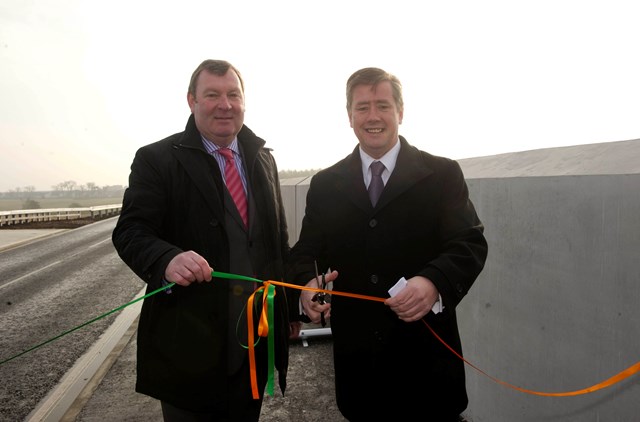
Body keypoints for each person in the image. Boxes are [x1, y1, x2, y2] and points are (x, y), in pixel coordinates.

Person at [287, 67, 488, 421]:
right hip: (360, 374)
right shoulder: (325, 184)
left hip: (428, 371)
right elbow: (307, 251)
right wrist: (306, 285)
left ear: (400, 111)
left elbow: (468, 243)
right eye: (362, 107)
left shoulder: (442, 174)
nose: (373, 116)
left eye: (382, 105)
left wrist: (433, 282)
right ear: (349, 116)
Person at [112, 59, 299, 421]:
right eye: (212, 95)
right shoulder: (156, 160)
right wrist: (167, 260)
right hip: (189, 353)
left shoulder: (263, 159)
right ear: (191, 101)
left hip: (253, 347)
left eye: (233, 95)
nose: (224, 104)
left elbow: (277, 241)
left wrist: (287, 309)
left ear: (244, 101)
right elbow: (130, 231)